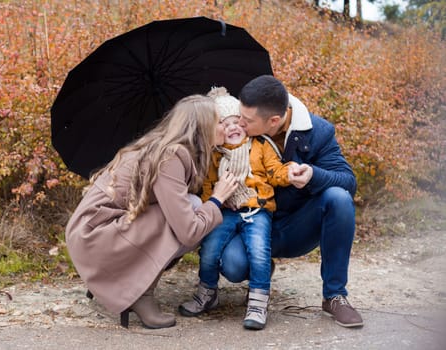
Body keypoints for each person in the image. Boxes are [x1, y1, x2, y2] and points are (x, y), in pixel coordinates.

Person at [65, 95, 239, 329]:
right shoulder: (172, 156)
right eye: (219, 121)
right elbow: (188, 231)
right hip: (93, 238)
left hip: (95, 231)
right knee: (191, 212)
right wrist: (217, 199)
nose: (225, 127)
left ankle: (125, 281)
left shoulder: (169, 149)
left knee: (192, 205)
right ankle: (140, 294)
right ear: (202, 127)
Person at [216, 75, 363, 328]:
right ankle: (260, 268)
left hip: (297, 226)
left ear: (273, 120)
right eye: (240, 115)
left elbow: (348, 180)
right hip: (253, 224)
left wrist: (313, 175)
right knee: (232, 266)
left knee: (338, 197)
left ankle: (334, 295)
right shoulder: (237, 135)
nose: (239, 122)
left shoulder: (319, 132)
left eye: (247, 120)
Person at [178, 87, 297, 330]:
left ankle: (258, 301)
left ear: (245, 124)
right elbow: (209, 185)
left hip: (257, 210)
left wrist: (290, 173)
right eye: (225, 123)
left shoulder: (260, 145)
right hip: (226, 211)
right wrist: (212, 205)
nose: (232, 127)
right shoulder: (216, 154)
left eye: (237, 122)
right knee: (210, 250)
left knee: (259, 252)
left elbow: (275, 171)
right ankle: (207, 292)